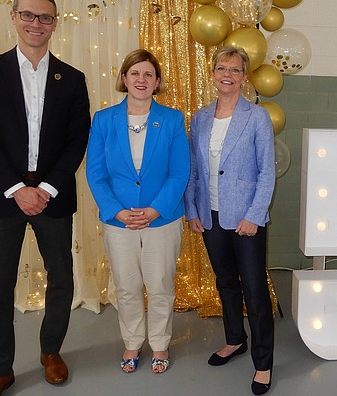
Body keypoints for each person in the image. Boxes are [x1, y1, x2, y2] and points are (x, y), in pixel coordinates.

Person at [0, 0, 90, 396]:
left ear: (55, 24)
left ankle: (51, 351)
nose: (37, 24)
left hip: (54, 193)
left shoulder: (72, 79)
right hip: (2, 195)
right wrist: (19, 188)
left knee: (61, 280)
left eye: (45, 17)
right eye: (29, 16)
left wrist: (47, 188)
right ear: (14, 17)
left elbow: (77, 139)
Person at [86, 49, 190, 375]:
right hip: (119, 221)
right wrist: (116, 211)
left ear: (157, 82)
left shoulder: (172, 120)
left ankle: (159, 343)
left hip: (162, 219)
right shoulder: (103, 120)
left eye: (148, 74)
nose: (141, 80)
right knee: (127, 286)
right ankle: (132, 341)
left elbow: (179, 172)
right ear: (124, 79)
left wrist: (156, 210)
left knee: (160, 284)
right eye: (135, 73)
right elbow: (95, 172)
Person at [184, 46, 276, 395]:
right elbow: (194, 169)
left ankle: (263, 361)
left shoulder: (257, 117)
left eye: (235, 69)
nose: (227, 74)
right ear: (212, 72)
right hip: (210, 214)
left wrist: (254, 215)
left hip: (245, 218)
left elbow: (267, 172)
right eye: (221, 67)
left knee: (254, 289)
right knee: (226, 282)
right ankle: (235, 340)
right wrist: (192, 210)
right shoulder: (201, 118)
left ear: (244, 76)